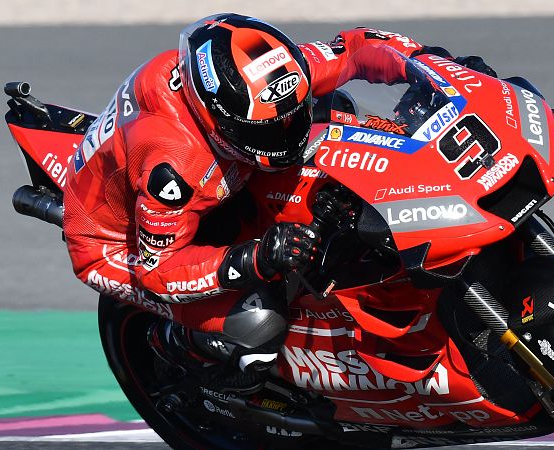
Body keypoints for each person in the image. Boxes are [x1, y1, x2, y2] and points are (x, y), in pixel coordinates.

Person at [63, 13, 496, 391]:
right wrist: (256, 257)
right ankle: (183, 350)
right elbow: (158, 271)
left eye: (290, 116)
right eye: (266, 130)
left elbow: (357, 49)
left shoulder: (272, 76)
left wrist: (436, 69)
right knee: (258, 322)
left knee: (338, 110)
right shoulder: (173, 166)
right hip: (122, 246)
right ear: (216, 119)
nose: (285, 133)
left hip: (224, 178)